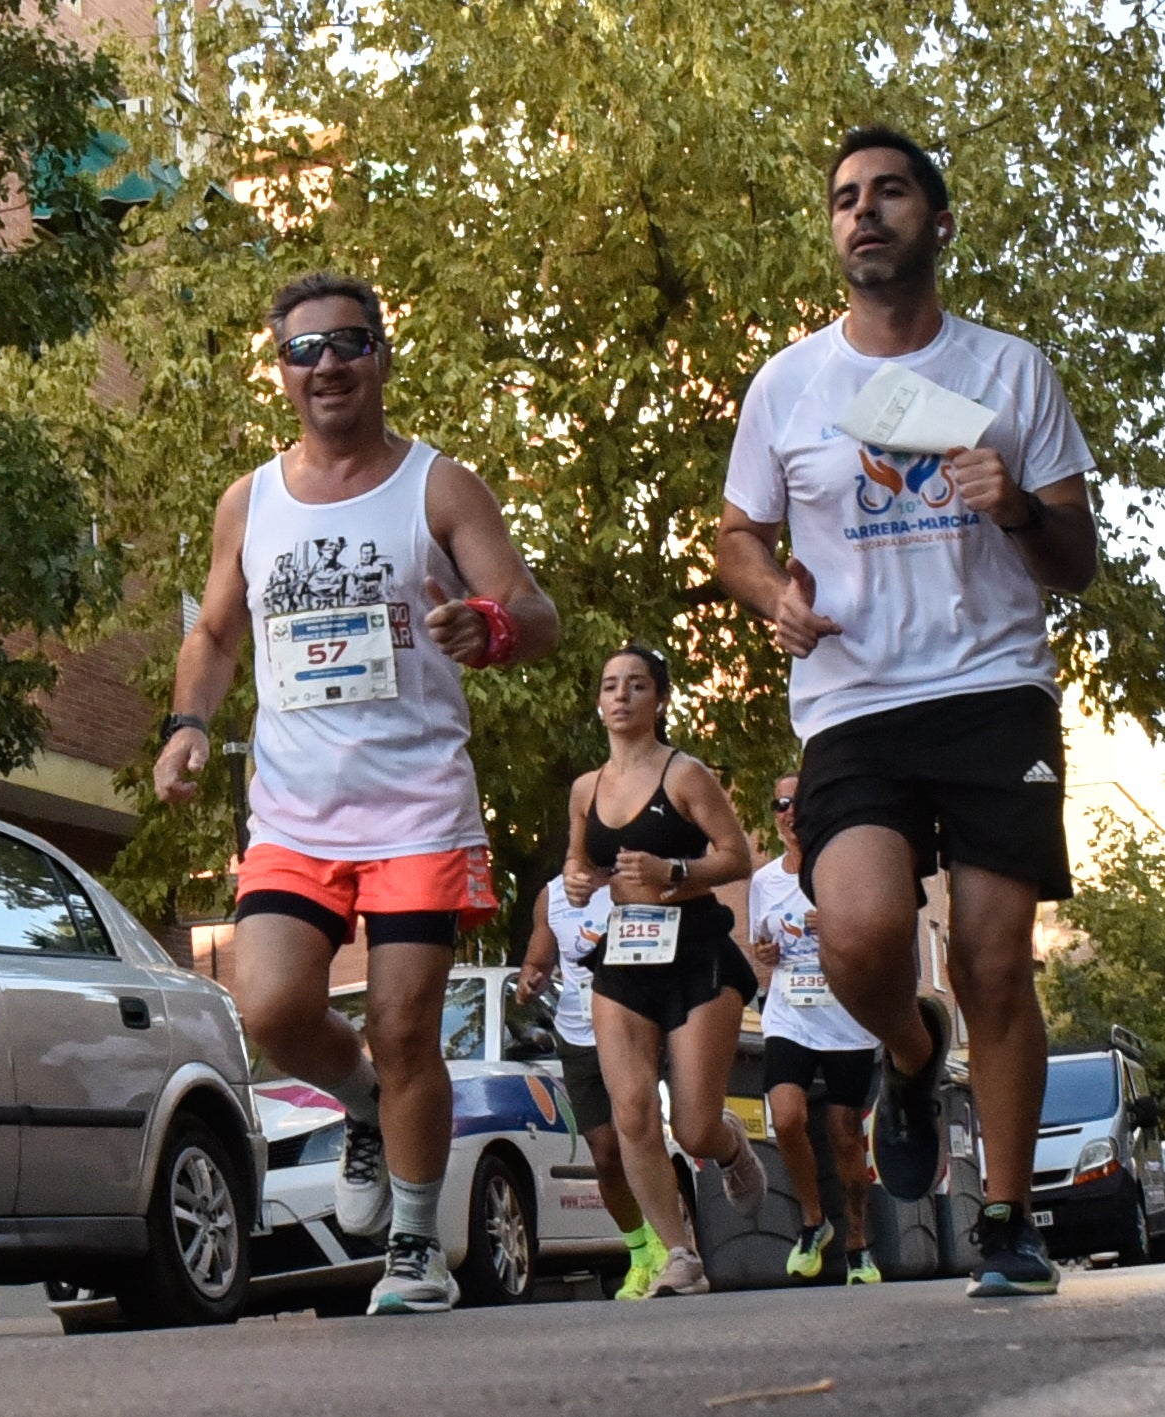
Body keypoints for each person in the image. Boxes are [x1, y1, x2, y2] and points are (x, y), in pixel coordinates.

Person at [716, 125, 1101, 1299]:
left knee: (993, 959)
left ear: (937, 222)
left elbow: (1076, 561)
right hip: (855, 700)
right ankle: (909, 1047)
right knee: (859, 934)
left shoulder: (1010, 373)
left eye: (888, 193)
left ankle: (1009, 1223)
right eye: (845, 198)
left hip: (993, 690)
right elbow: (737, 534)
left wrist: (1017, 510)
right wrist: (773, 595)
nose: (863, 211)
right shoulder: (788, 384)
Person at [154, 271, 559, 1317]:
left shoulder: (439, 486)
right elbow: (214, 632)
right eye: (304, 350)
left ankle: (416, 1246)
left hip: (417, 806)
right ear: (281, 372)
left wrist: (488, 626)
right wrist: (187, 724)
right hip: (294, 812)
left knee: (404, 1021)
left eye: (347, 343)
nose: (326, 364)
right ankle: (365, 1105)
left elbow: (533, 610)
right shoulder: (249, 501)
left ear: (380, 355)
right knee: (273, 1007)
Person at [566, 645, 766, 1297]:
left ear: (659, 699)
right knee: (630, 1113)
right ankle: (680, 1253)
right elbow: (580, 864)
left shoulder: (685, 775)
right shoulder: (586, 789)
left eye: (636, 685)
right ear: (599, 701)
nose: (620, 697)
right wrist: (578, 880)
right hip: (625, 953)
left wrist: (672, 870)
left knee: (693, 1126)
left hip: (696, 948)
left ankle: (729, 1146)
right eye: (609, 686)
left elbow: (736, 857)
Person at [748, 773, 884, 1286]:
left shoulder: (846, 871)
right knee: (786, 1117)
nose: (789, 812)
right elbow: (763, 946)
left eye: (798, 802)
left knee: (845, 1134)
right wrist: (765, 954)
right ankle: (813, 1221)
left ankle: (858, 1243)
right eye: (780, 804)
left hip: (846, 1014)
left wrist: (839, 926)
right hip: (790, 1014)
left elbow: (881, 936)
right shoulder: (764, 882)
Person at [517, 876, 668, 1299]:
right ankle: (639, 1255)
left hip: (631, 1025)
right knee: (605, 1154)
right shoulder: (552, 895)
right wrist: (531, 980)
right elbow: (537, 961)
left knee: (637, 1134)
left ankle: (666, 1243)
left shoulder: (632, 881)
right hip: (578, 1034)